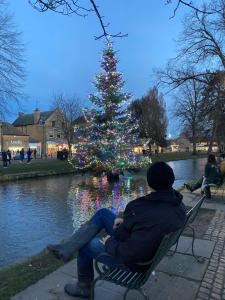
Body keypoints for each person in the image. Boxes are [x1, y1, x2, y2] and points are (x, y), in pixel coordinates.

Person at [47, 162, 186, 298]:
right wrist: (126, 223)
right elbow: (146, 228)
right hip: (136, 241)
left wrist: (109, 243)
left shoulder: (144, 209)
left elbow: (132, 252)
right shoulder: (177, 204)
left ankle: (83, 287)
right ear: (171, 180)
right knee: (103, 213)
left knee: (85, 244)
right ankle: (65, 249)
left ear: (150, 182)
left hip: (133, 263)